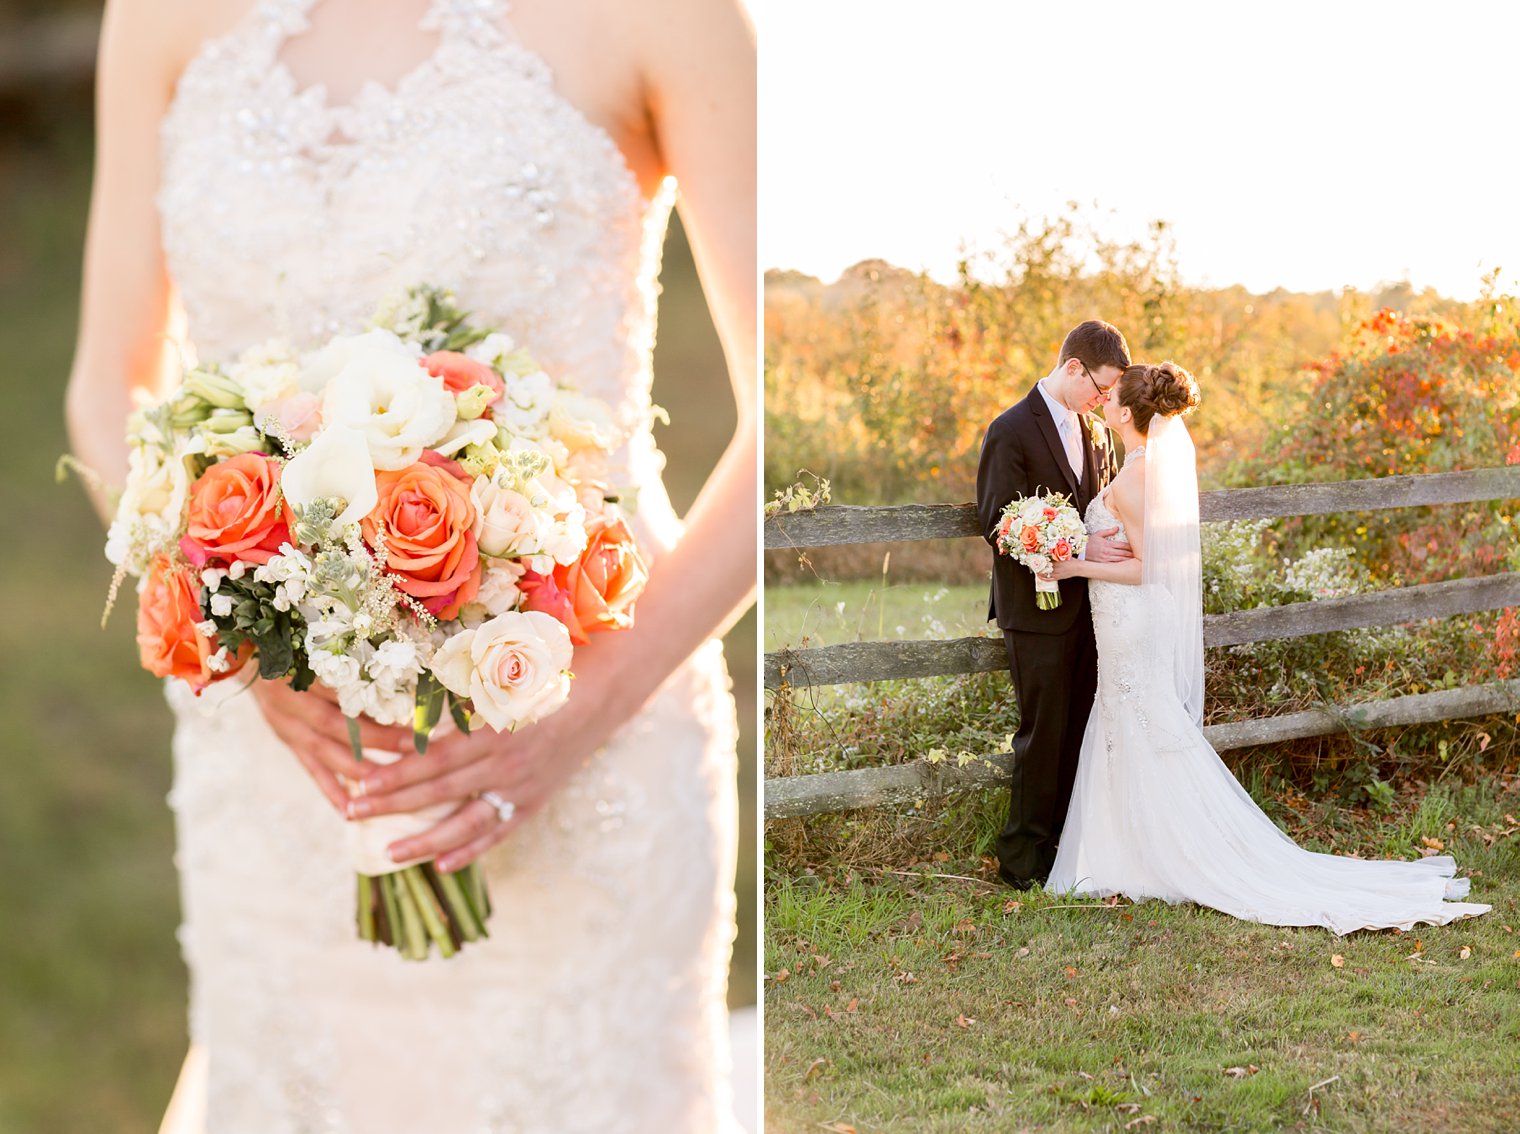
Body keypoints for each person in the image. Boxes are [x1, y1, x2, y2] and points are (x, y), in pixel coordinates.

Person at [63, 0, 756, 1130]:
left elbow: (777, 427)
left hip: (584, 732)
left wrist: (577, 714)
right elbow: (106, 387)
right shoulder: (158, 15)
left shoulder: (669, 17)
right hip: (276, 768)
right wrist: (242, 647)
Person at [1042, 362, 1489, 933]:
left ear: (1127, 413)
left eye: (1112, 400)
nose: (1103, 404)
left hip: (1130, 618)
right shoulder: (1145, 468)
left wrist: (1072, 564)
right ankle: (1133, 852)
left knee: (1136, 720)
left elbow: (1149, 567)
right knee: (1134, 723)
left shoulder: (1135, 477)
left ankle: (1151, 856)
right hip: (1129, 621)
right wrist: (1089, 546)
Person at [974, 319, 1134, 889]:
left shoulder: (1095, 433)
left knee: (1078, 732)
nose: (1103, 398)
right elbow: (996, 519)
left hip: (1089, 606)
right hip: (1034, 612)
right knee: (1041, 734)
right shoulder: (1010, 429)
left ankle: (1068, 853)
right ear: (1073, 367)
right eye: (1100, 385)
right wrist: (1072, 544)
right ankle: (1021, 862)